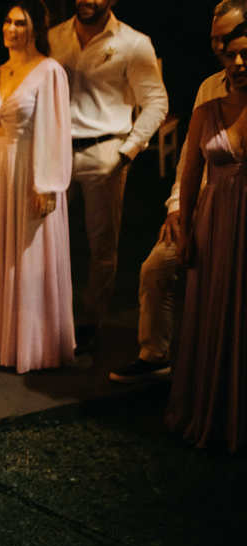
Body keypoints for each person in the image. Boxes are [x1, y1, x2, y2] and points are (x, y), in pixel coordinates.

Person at [111, 0, 244, 383]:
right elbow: (189, 159)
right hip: (202, 204)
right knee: (156, 267)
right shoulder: (209, 88)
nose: (221, 48)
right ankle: (155, 354)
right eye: (215, 40)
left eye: (230, 38)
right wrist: (176, 209)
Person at [0, 2, 75, 373]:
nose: (11, 28)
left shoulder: (49, 71)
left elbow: (57, 131)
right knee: (2, 254)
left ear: (34, 28)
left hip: (32, 169)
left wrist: (48, 184)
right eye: (8, 21)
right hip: (0, 170)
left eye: (20, 22)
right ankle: (2, 342)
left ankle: (36, 346)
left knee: (29, 255)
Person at [48, 0, 168, 352]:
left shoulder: (133, 42)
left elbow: (156, 101)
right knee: (50, 238)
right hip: (56, 152)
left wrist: (126, 151)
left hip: (105, 152)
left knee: (101, 245)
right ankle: (54, 318)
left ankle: (89, 323)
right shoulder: (53, 37)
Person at [165, 25, 247, 452]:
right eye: (231, 55)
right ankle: (211, 410)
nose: (238, 63)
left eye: (246, 54)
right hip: (215, 223)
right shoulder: (206, 109)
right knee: (213, 309)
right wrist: (186, 231)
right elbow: (190, 175)